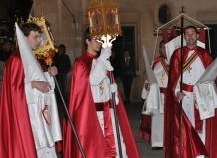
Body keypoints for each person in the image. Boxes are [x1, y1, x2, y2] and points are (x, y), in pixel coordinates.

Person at [164, 25, 217, 158]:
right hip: (183, 98)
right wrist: (177, 92)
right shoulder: (178, 54)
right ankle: (185, 154)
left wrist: (203, 93)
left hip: (199, 99)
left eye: (192, 33)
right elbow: (173, 78)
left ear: (197, 36)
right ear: (184, 37)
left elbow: (211, 79)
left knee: (200, 129)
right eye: (187, 34)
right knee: (184, 128)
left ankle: (199, 155)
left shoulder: (205, 55)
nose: (190, 36)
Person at [63, 28, 140, 158]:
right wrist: (103, 59)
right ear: (87, 41)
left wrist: (113, 93)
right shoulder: (80, 62)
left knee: (117, 145)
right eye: (96, 40)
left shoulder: (102, 61)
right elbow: (91, 81)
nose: (99, 43)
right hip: (93, 115)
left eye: (101, 40)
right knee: (97, 149)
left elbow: (105, 83)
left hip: (108, 112)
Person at [0, 22, 62, 158]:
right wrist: (33, 84)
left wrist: (49, 75)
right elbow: (13, 91)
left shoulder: (35, 59)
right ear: (24, 37)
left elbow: (44, 85)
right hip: (28, 116)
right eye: (36, 37)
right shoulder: (16, 59)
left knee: (46, 148)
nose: (40, 41)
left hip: (41, 114)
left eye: (40, 37)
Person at [139, 40, 168, 150]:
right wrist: (146, 87)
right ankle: (157, 142)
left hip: (171, 95)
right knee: (157, 119)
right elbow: (150, 77)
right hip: (158, 95)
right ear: (160, 50)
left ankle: (170, 141)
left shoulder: (177, 61)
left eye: (167, 47)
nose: (165, 49)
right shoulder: (156, 62)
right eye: (163, 47)